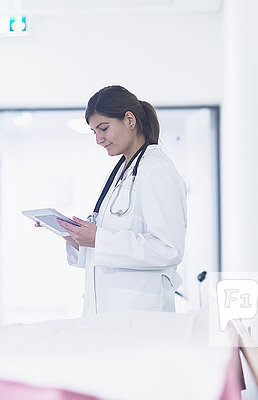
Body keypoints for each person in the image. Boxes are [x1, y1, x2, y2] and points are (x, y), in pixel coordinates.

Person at [57, 85, 187, 315]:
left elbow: (169, 249)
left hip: (141, 312)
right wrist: (77, 238)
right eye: (94, 132)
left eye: (103, 128)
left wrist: (100, 238)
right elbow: (107, 245)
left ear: (129, 119)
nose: (98, 139)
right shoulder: (120, 172)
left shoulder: (157, 170)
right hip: (108, 312)